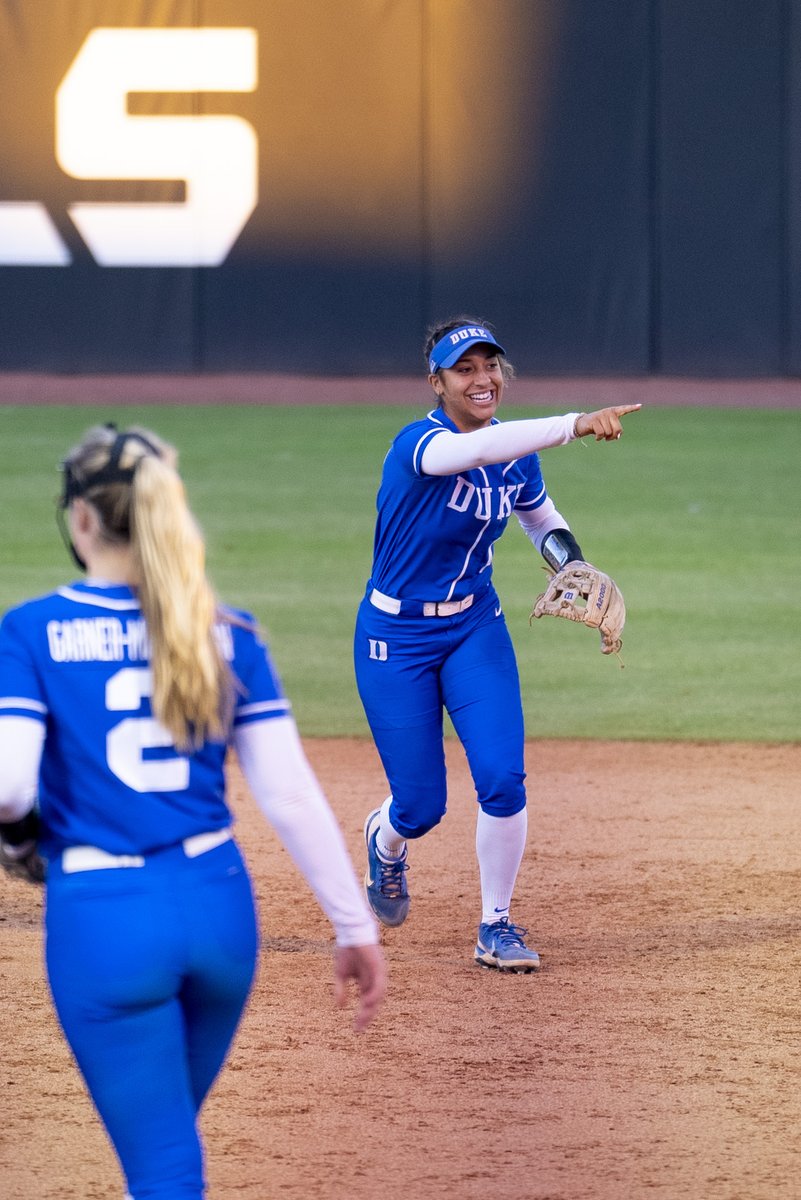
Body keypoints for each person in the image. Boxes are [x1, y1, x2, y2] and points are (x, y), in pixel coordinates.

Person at [0, 423, 386, 1200]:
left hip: (106, 921)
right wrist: (354, 926)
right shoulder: (225, 628)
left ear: (81, 519)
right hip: (219, 911)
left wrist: (18, 843)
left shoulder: (32, 630)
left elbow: (8, 787)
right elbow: (287, 794)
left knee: (166, 1171)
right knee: (169, 1137)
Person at [354, 317, 640, 972]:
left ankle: (495, 924)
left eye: (491, 367)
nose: (482, 380)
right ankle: (386, 841)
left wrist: (571, 563)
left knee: (503, 780)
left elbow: (536, 513)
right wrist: (574, 422)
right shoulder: (418, 445)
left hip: (473, 627)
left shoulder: (516, 450)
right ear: (437, 382)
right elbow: (480, 452)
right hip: (394, 638)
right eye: (465, 369)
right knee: (421, 805)